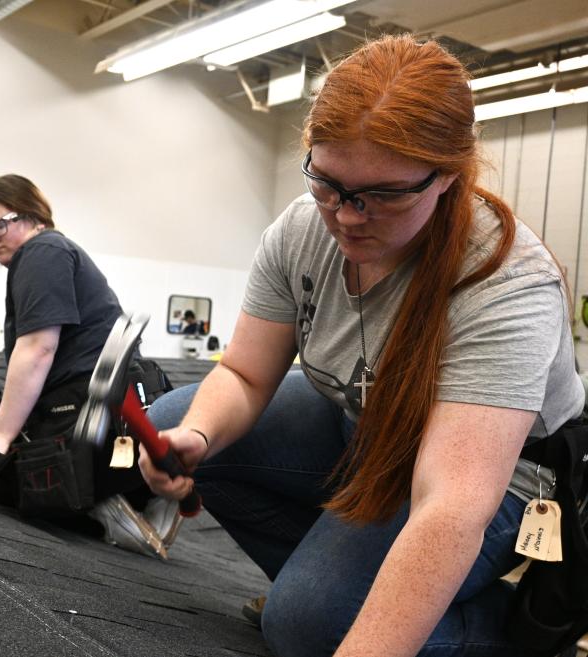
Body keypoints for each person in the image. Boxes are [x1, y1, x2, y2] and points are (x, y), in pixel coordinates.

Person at [140, 34, 585, 657]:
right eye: (328, 183)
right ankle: (336, 589)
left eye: (384, 195)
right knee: (178, 424)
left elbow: (452, 503)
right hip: (367, 426)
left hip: (498, 475)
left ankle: (503, 631)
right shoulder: (302, 229)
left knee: (309, 630)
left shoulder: (507, 282)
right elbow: (242, 375)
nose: (347, 215)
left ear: (448, 178)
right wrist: (198, 438)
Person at [0, 174, 180, 557]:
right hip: (106, 416)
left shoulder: (42, 251)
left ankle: (95, 497)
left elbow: (37, 349)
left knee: (4, 484)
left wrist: (0, 438)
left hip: (86, 415)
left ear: (34, 216)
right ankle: (118, 495)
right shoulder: (52, 252)